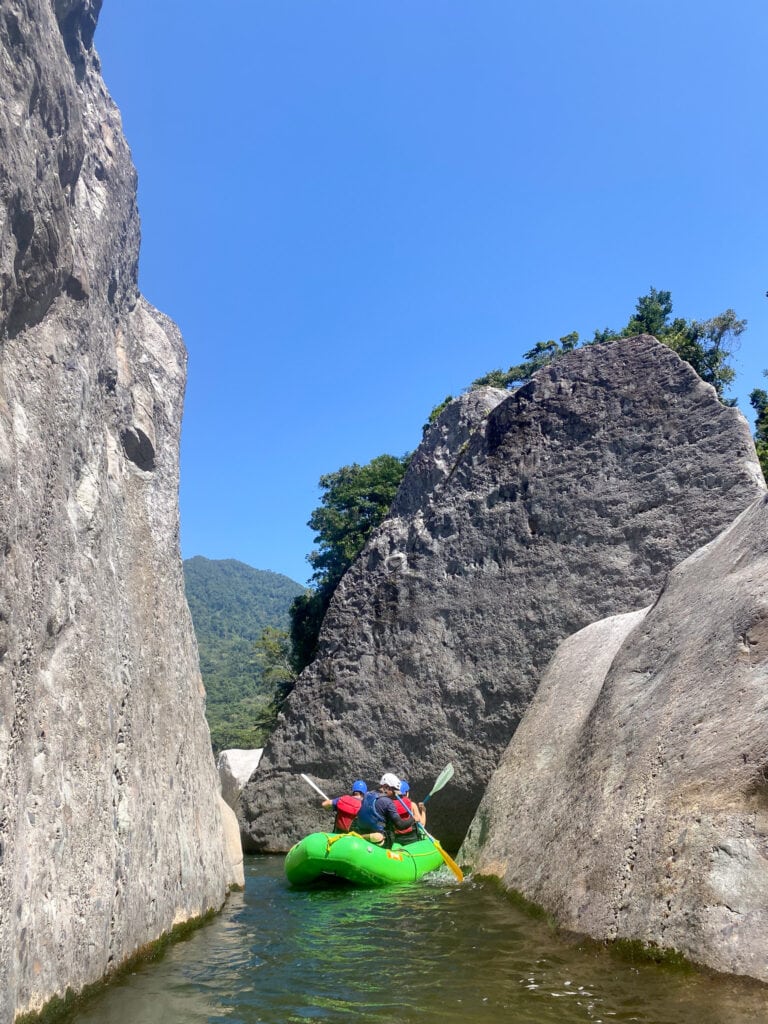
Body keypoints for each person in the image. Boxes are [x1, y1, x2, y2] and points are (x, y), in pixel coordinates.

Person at [353, 773, 419, 847]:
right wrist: (413, 819)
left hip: (363, 832)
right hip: (382, 841)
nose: (396, 795)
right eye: (395, 791)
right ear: (386, 787)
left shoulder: (367, 794)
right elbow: (400, 825)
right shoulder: (388, 802)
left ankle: (363, 837)